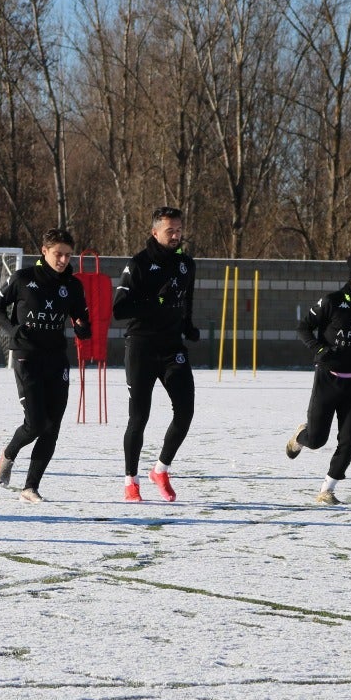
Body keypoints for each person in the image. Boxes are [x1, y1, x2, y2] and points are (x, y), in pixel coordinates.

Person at [0, 229, 91, 503]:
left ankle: (30, 488)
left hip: (56, 359)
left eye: (68, 255)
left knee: (52, 427)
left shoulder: (73, 286)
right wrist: (12, 330)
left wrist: (83, 328)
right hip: (27, 356)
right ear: (44, 251)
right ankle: (9, 453)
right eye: (58, 254)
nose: (63, 260)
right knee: (35, 424)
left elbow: (83, 323)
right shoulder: (22, 278)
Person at [284, 251, 351, 504]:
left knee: (349, 440)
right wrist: (319, 349)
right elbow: (303, 327)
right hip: (327, 379)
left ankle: (327, 490)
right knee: (317, 440)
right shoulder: (332, 302)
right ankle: (301, 437)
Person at [113, 205, 199, 502]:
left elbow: (186, 299)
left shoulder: (186, 264)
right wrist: (155, 302)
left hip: (172, 347)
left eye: (179, 230)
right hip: (141, 346)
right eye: (169, 231)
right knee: (139, 417)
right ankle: (131, 480)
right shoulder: (138, 264)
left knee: (185, 411)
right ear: (154, 232)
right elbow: (119, 309)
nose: (176, 236)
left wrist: (188, 326)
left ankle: (161, 469)